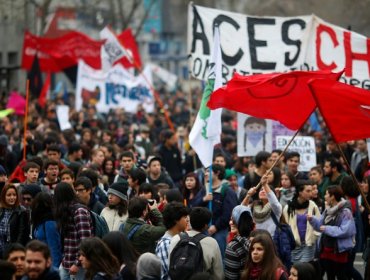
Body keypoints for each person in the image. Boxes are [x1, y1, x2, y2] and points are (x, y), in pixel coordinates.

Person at [308, 185, 356, 280]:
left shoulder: (345, 212)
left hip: (339, 251)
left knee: (341, 276)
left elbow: (345, 231)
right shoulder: (327, 210)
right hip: (326, 250)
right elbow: (320, 226)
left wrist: (327, 229)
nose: (324, 197)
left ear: (332, 196)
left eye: (326, 194)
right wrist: (312, 219)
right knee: (330, 276)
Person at [169, 207, 224, 280]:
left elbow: (170, 266)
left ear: (189, 221)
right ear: (205, 226)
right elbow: (218, 275)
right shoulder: (212, 243)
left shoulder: (175, 239)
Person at [54, 182, 93, 280]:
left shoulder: (79, 211)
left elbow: (86, 240)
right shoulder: (67, 211)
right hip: (66, 262)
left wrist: (77, 263)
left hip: (79, 265)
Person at [203, 164, 238, 258]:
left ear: (217, 173)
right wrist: (203, 200)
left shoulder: (227, 191)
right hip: (204, 230)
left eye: (208, 171)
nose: (205, 174)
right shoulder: (205, 190)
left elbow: (229, 213)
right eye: (205, 171)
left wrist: (216, 226)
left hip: (220, 231)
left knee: (219, 258)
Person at [283, 181, 320, 263]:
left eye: (311, 190)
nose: (311, 193)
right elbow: (285, 226)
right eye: (308, 191)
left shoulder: (313, 205)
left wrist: (314, 236)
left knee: (304, 267)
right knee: (294, 268)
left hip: (308, 244)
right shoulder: (289, 207)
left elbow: (319, 223)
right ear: (300, 192)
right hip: (294, 245)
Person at [155, 202, 189, 280]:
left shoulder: (181, 238)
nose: (187, 220)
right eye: (184, 217)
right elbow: (173, 273)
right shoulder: (166, 244)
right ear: (176, 220)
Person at [31, 192, 62, 268]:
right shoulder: (40, 221)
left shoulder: (49, 222)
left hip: (49, 264)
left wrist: (54, 269)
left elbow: (54, 248)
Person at [225, 205, 255, 280]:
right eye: (230, 219)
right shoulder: (257, 240)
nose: (230, 222)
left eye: (233, 220)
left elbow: (230, 277)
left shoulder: (233, 247)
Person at [0, 185, 29, 257]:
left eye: (14, 195)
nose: (12, 197)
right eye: (9, 195)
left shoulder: (22, 211)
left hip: (13, 251)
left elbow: (22, 235)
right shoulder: (1, 210)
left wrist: (16, 251)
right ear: (3, 196)